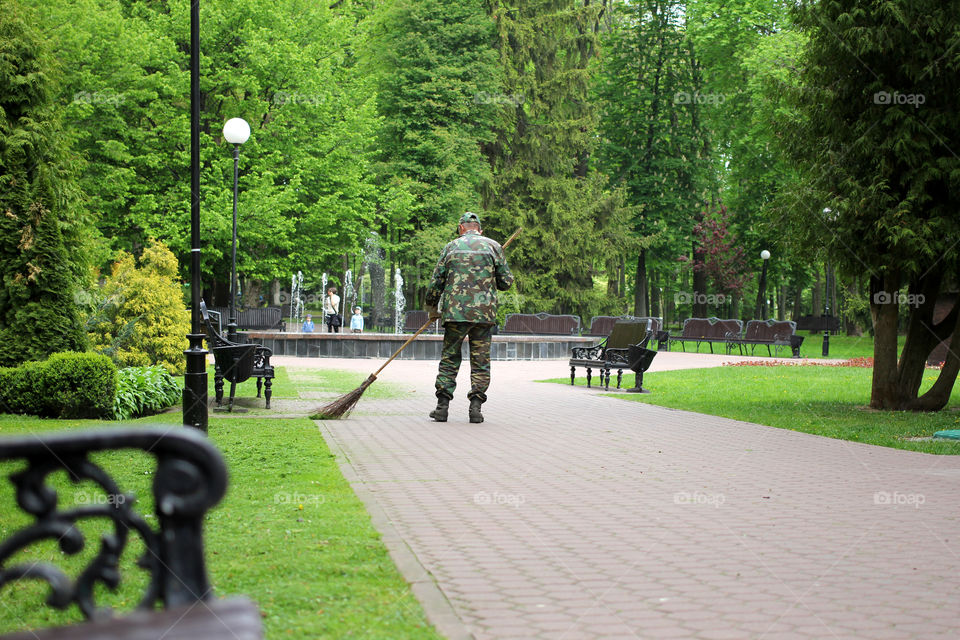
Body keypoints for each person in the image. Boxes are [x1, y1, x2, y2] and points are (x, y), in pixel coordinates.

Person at [425, 212, 513, 423]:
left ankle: (442, 407)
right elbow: (506, 283)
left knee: (449, 359)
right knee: (480, 361)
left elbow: (437, 281)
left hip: (455, 314)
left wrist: (432, 307)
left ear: (461, 228)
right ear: (479, 229)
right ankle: (475, 409)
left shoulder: (451, 247)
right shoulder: (493, 247)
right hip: (483, 315)